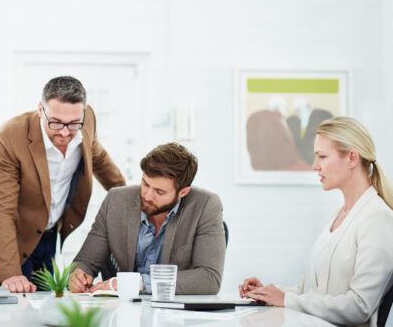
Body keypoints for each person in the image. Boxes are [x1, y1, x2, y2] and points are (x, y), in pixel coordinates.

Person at [0, 76, 126, 293]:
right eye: (56, 122)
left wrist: (129, 199)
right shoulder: (7, 139)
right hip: (11, 238)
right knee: (18, 307)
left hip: (49, 236)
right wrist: (11, 274)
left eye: (73, 124)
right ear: (40, 110)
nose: (64, 132)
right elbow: (1, 211)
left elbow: (97, 157)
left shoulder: (87, 120)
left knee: (47, 307)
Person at [239, 116, 393, 326]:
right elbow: (311, 293)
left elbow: (360, 306)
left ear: (351, 158)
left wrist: (285, 299)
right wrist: (269, 293)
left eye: (322, 156)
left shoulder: (377, 219)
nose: (314, 166)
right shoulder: (339, 215)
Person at [69, 142, 226, 294]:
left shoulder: (205, 206)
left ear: (182, 193)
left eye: (159, 192)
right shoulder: (116, 201)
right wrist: (77, 276)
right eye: (145, 184)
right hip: (122, 311)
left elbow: (209, 278)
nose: (147, 196)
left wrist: (140, 283)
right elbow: (85, 262)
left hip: (174, 315)